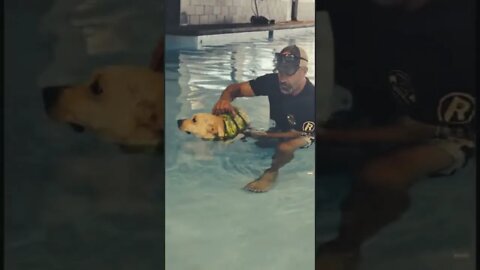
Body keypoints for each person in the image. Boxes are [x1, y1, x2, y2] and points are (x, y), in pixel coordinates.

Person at [316, 0, 475, 269]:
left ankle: (345, 247)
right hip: (383, 108)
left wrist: (330, 136)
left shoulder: (457, 31)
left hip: (445, 129)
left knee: (384, 175)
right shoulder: (377, 9)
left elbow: (419, 130)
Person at [212, 45, 316, 192]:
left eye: (289, 73)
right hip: (278, 129)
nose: (282, 79)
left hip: (307, 134)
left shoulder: (311, 100)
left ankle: (272, 172)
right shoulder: (271, 82)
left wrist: (262, 134)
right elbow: (234, 89)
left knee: (285, 147)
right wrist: (224, 100)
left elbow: (299, 133)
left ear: (304, 72)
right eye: (280, 72)